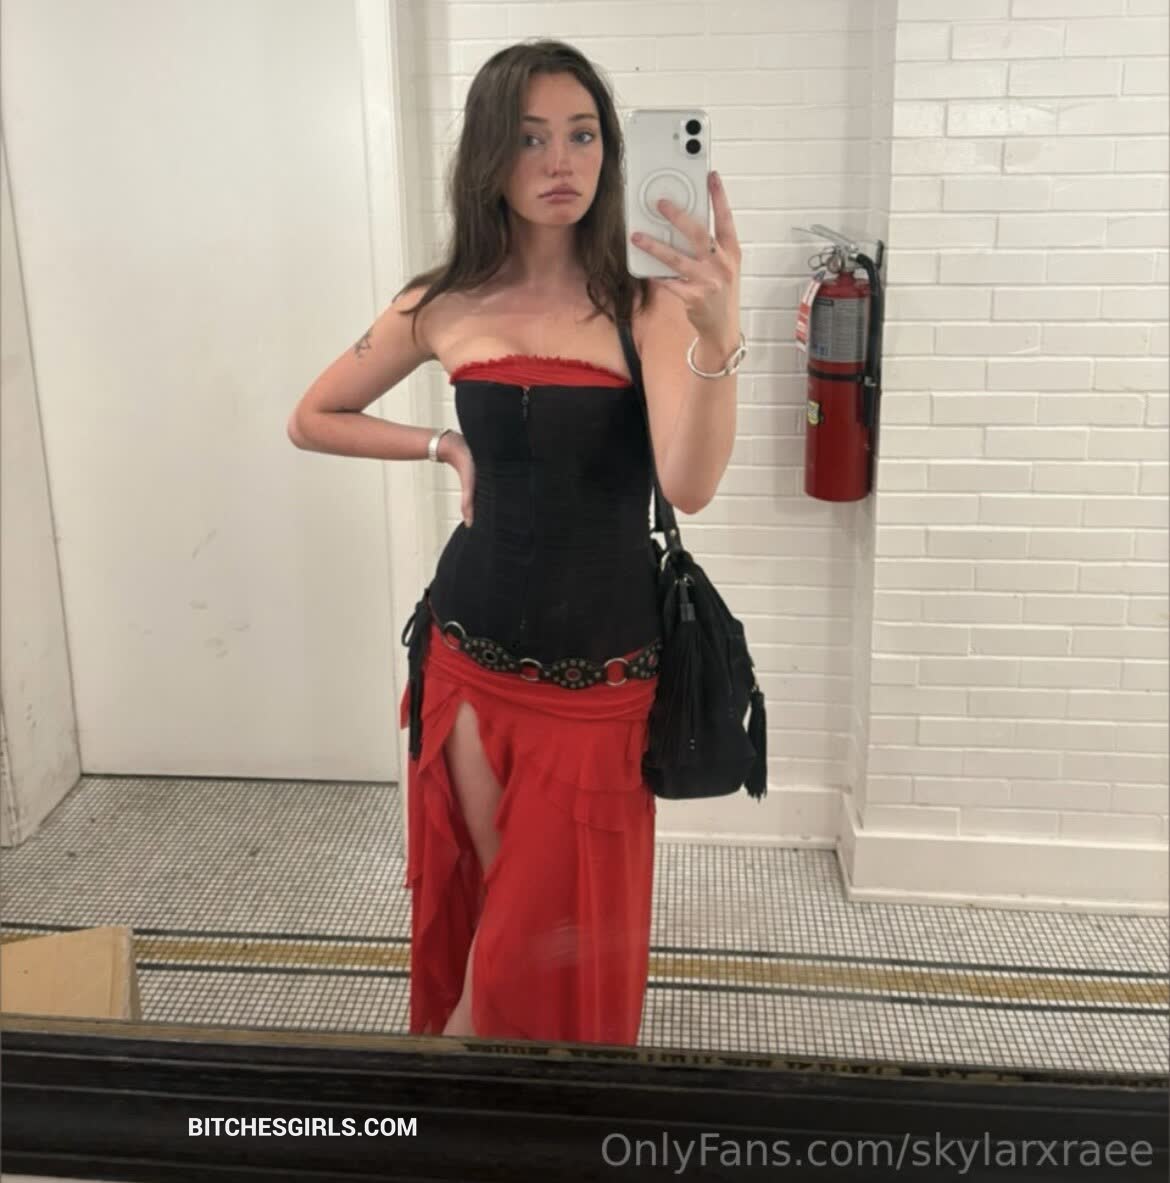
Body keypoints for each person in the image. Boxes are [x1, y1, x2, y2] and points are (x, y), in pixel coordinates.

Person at [288, 39, 742, 1046]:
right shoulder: (443, 301)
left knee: (542, 948)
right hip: (469, 657)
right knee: (498, 921)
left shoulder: (648, 304)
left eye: (582, 135)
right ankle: (473, 1106)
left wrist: (718, 339)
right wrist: (441, 443)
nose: (560, 161)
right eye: (531, 138)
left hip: (602, 681)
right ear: (490, 156)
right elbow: (313, 415)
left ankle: (494, 1107)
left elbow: (691, 486)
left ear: (610, 151)